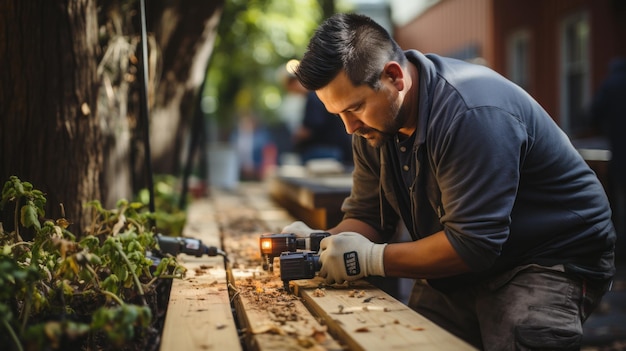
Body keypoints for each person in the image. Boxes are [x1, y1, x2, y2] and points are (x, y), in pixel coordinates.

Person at [281, 13, 616, 350]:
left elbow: (473, 244)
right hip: (467, 254)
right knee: (413, 341)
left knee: (520, 337)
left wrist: (368, 259)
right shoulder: (374, 126)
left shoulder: (471, 114)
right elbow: (369, 217)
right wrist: (318, 243)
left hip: (547, 258)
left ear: (394, 77)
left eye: (354, 108)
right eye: (337, 113)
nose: (349, 127)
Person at [591, 57, 626, 256]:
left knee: (619, 201)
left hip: (620, 152)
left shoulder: (611, 85)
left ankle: (620, 249)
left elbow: (594, 114)